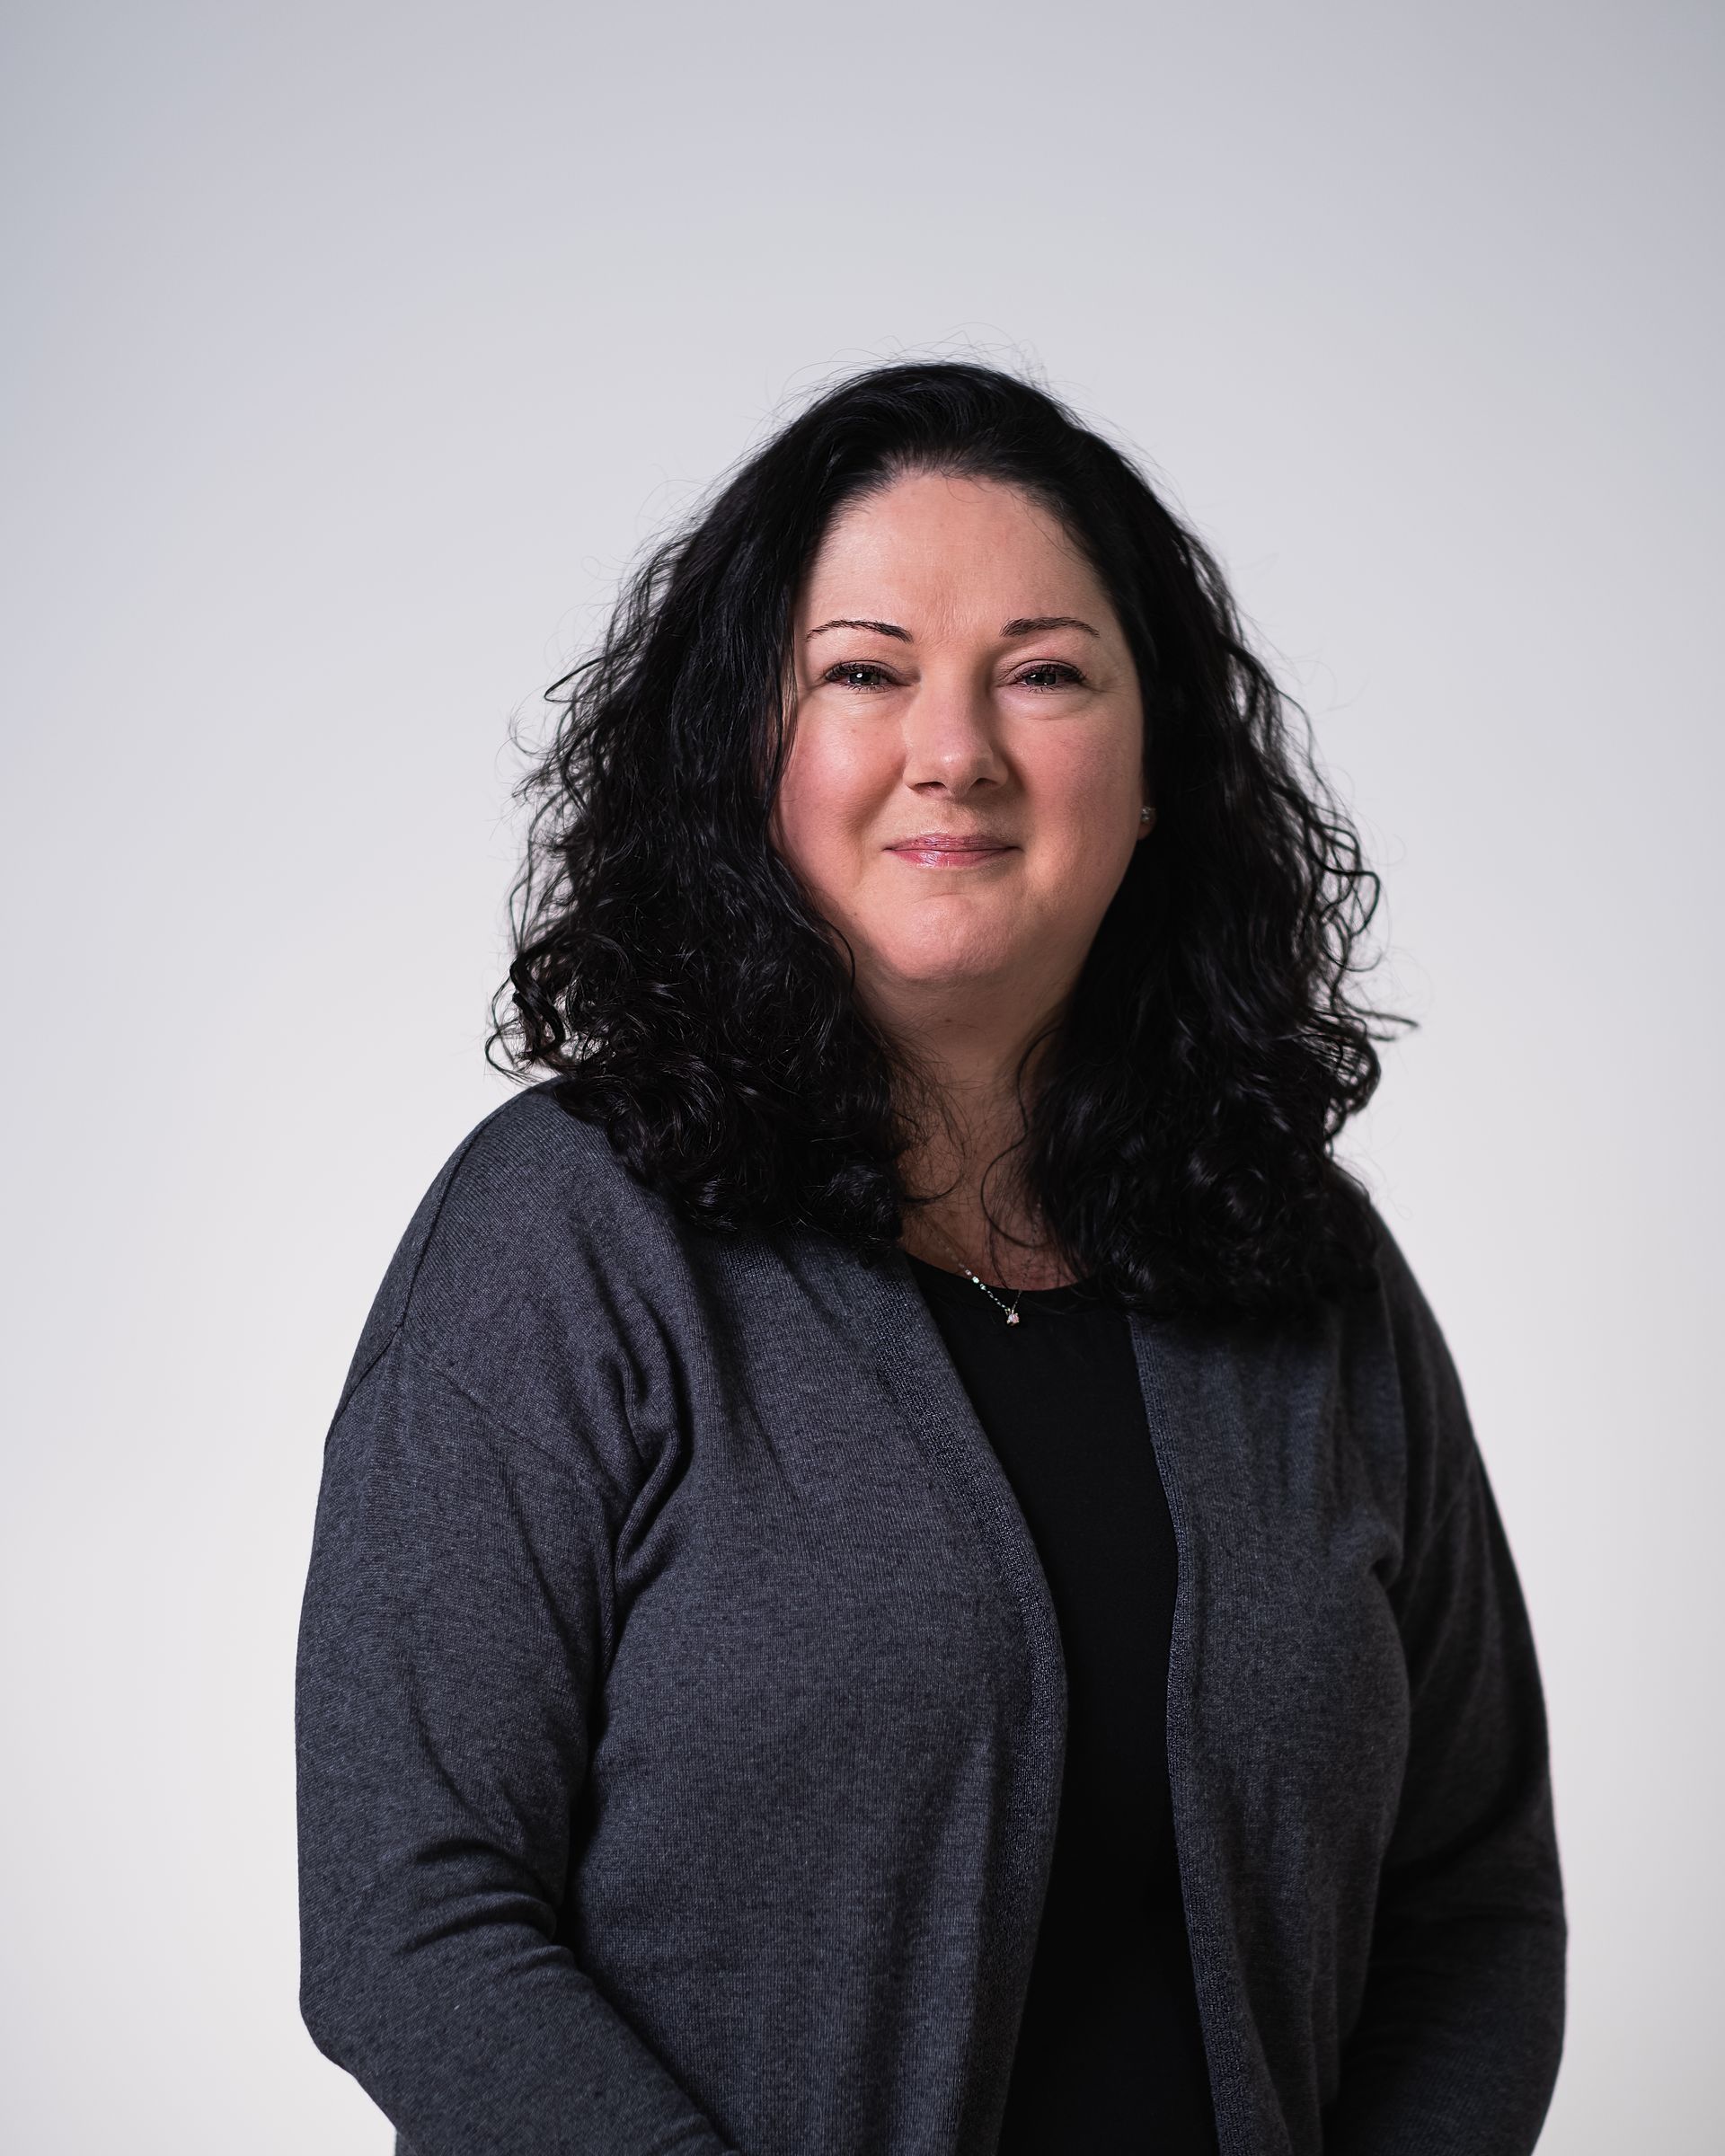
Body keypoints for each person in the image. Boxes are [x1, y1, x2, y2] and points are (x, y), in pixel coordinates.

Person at [295, 361, 1565, 2156]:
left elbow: (1476, 1902)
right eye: (865, 672)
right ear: (755, 750)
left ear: (1154, 778)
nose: (953, 749)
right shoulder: (562, 1241)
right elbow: (406, 1916)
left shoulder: (1314, 1274)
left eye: (1043, 673)